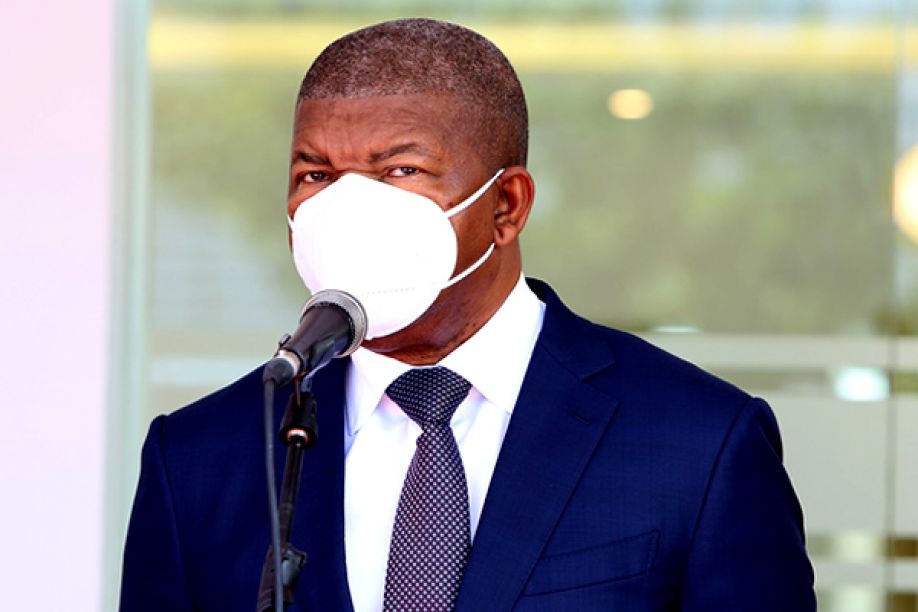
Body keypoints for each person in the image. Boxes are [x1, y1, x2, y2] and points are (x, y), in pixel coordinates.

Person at [121, 18, 816, 611]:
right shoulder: (200, 460)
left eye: (400, 170)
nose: (344, 209)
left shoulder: (698, 442)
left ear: (506, 206)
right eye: (316, 175)